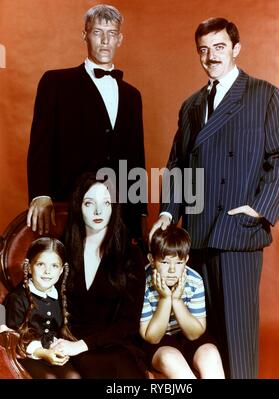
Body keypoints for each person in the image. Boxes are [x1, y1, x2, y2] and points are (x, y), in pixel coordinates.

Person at [150, 17, 279, 379]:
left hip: (236, 234)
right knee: (203, 337)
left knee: (238, 338)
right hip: (195, 237)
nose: (211, 56)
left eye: (219, 47)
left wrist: (259, 210)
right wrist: (169, 214)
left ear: (236, 49)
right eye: (204, 49)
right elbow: (178, 166)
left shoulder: (265, 95)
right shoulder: (191, 106)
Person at [26, 4, 147, 242]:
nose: (104, 41)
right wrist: (40, 194)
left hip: (118, 210)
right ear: (85, 35)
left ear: (119, 39)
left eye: (111, 33)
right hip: (69, 205)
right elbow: (41, 143)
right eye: (97, 32)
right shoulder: (55, 83)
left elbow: (136, 155)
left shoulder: (133, 95)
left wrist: (140, 211)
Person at [50, 172, 146, 378]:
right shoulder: (61, 249)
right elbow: (31, 290)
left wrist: (83, 345)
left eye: (106, 203)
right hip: (71, 343)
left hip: (115, 345)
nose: (98, 210)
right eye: (89, 203)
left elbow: (129, 322)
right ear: (78, 207)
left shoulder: (130, 254)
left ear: (114, 207)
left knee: (122, 368)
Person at [140, 225, 224, 379]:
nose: (172, 270)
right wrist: (165, 299)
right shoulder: (142, 282)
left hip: (186, 333)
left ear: (186, 259)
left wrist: (177, 301)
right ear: (152, 260)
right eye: (165, 263)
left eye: (178, 263)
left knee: (211, 355)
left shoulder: (194, 280)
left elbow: (195, 334)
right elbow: (152, 337)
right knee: (170, 358)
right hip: (157, 340)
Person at [4, 237, 80, 379]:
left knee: (73, 376)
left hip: (52, 350)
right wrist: (41, 352)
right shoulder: (17, 298)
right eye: (40, 264)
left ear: (62, 270)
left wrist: (60, 345)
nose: (47, 271)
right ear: (29, 267)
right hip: (26, 354)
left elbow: (61, 329)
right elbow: (14, 337)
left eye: (54, 266)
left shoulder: (60, 295)